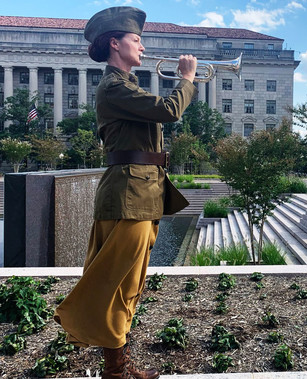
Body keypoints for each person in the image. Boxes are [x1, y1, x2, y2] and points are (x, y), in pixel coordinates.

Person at [54, 6, 197, 379]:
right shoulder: (114, 86)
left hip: (142, 191)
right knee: (115, 283)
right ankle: (115, 368)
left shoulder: (126, 85)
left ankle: (117, 367)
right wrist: (187, 79)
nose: (143, 47)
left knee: (128, 284)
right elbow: (169, 110)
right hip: (129, 194)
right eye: (137, 39)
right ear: (115, 43)